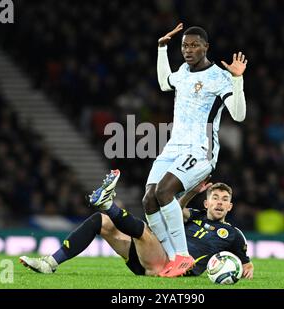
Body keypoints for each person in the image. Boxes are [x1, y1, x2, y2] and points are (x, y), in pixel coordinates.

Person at [142, 23, 248, 276]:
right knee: (148, 199)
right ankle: (171, 256)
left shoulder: (219, 77)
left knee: (165, 190)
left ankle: (183, 256)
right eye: (184, 46)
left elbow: (239, 114)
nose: (188, 50)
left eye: (194, 45)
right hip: (173, 147)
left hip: (201, 150)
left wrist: (237, 78)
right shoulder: (182, 71)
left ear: (206, 47)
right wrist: (161, 48)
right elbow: (164, 84)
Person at [20, 170, 254, 279]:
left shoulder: (233, 235)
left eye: (225, 200)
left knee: (144, 231)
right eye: (215, 198)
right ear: (207, 202)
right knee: (100, 222)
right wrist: (192, 191)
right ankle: (50, 263)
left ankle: (109, 203)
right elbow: (171, 210)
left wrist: (245, 269)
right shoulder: (193, 215)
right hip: (151, 257)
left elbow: (247, 264)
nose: (220, 203)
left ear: (230, 207)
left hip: (171, 266)